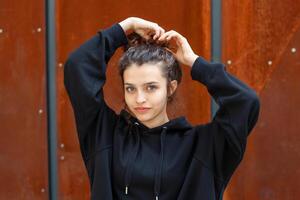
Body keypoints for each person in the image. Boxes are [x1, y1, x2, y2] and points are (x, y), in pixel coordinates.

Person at [64, 17, 260, 200]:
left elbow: (245, 102)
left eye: (151, 87)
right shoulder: (104, 133)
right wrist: (126, 26)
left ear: (170, 88)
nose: (139, 99)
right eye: (130, 88)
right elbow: (77, 67)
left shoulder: (204, 146)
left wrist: (194, 62)